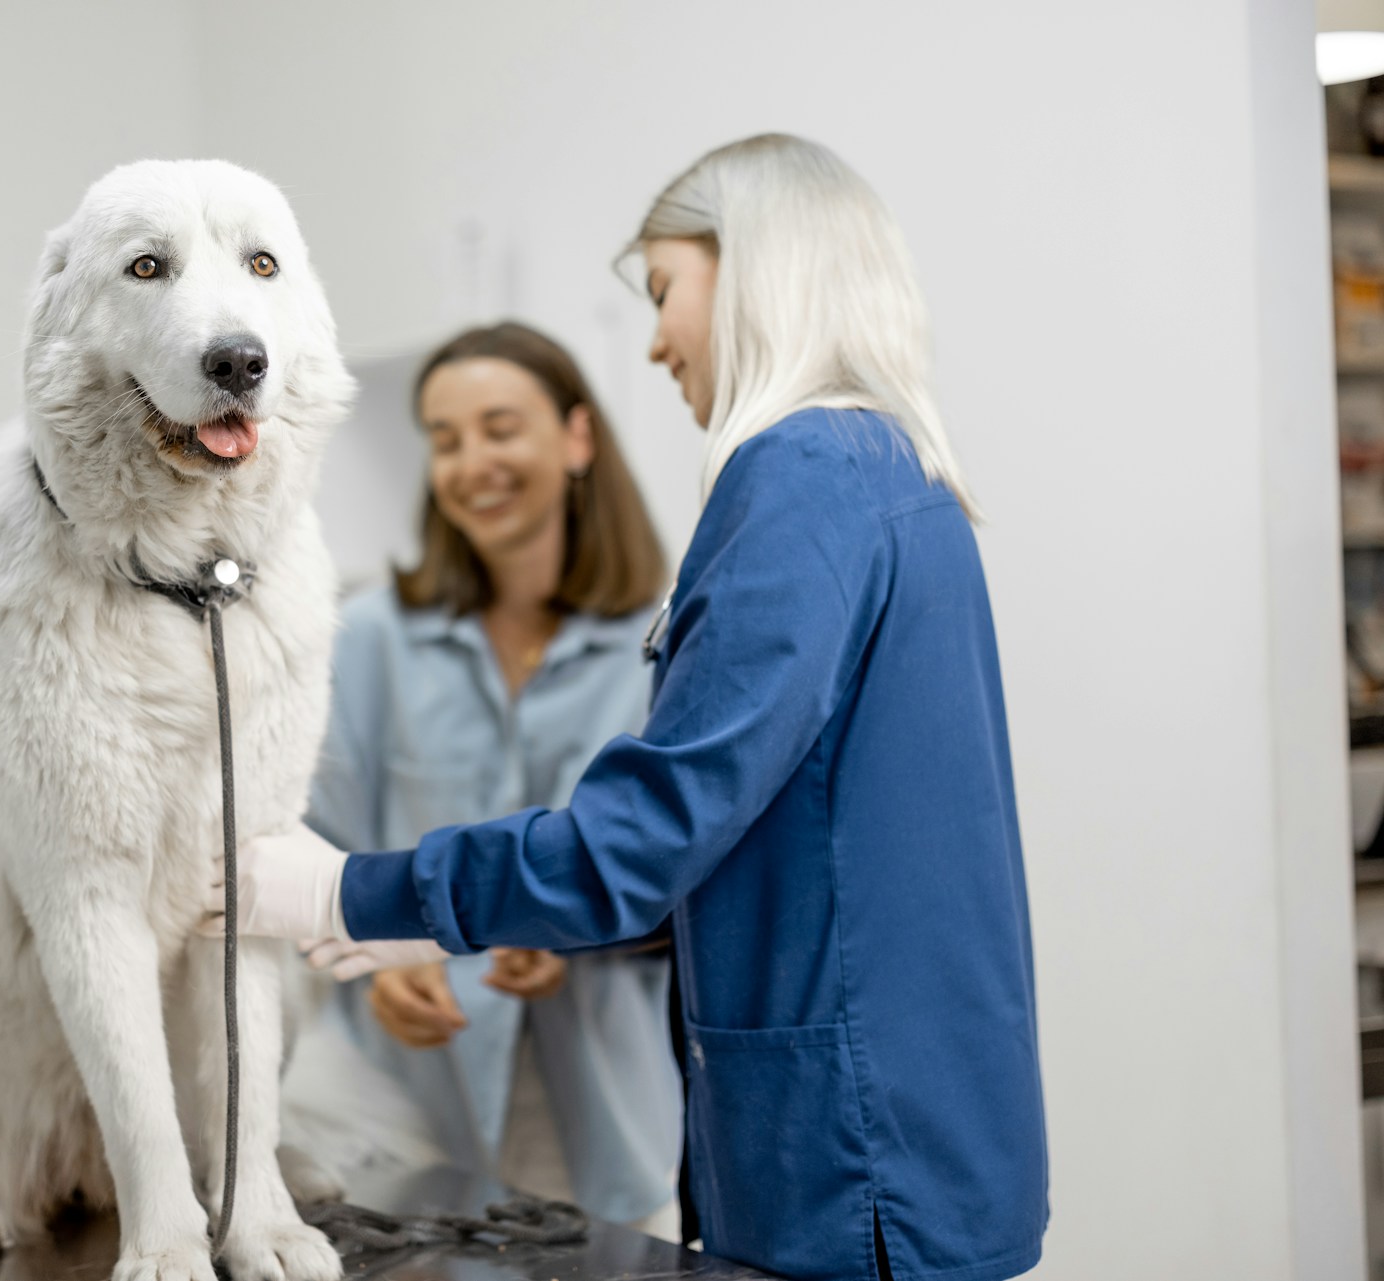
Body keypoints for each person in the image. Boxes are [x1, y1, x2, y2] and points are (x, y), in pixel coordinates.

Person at [215, 134, 1048, 1281]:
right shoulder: (889, 474)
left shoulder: (798, 476)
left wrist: (341, 890)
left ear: (755, 269)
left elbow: (641, 839)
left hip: (853, 1164)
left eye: (664, 292)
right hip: (921, 1142)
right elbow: (788, 841)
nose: (655, 339)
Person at [302, 322, 681, 1236]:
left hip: (605, 1117)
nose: (473, 462)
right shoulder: (371, 640)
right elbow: (311, 851)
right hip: (403, 1109)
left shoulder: (662, 643)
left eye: (500, 427)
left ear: (577, 437)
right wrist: (373, 965)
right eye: (445, 437)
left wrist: (581, 931)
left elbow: (691, 875)